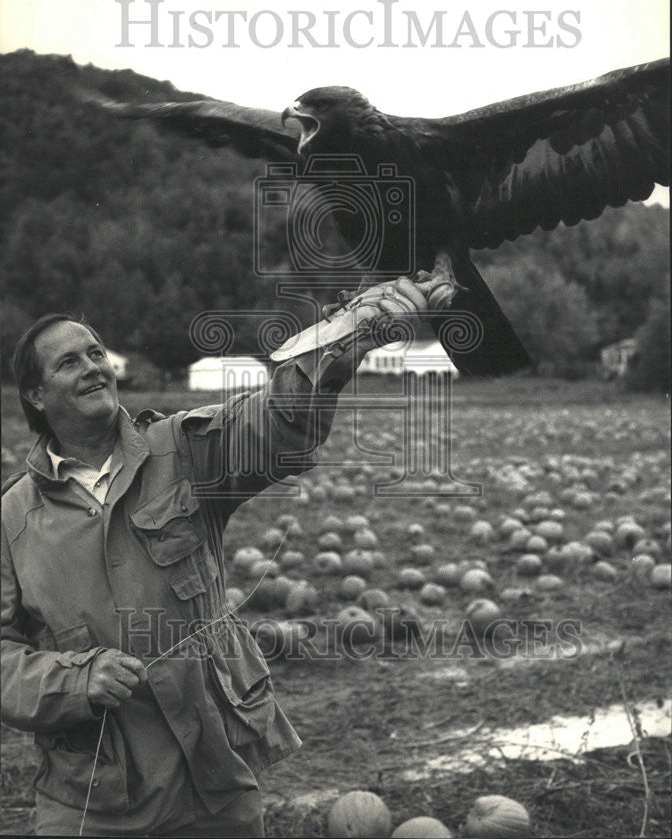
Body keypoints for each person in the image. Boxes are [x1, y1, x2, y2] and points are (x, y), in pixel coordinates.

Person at [1, 278, 431, 837]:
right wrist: (76, 679)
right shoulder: (12, 517)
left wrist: (336, 347)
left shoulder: (180, 450)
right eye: (68, 362)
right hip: (93, 794)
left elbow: (275, 424)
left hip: (212, 778)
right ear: (37, 396)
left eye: (96, 353)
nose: (92, 366)